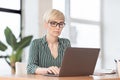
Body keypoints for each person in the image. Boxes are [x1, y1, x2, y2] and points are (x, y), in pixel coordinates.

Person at [27, 9, 71, 75]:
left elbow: (70, 66)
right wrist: (47, 70)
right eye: (53, 23)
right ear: (45, 25)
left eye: (61, 24)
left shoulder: (66, 43)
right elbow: (30, 67)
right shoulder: (36, 43)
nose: (58, 27)